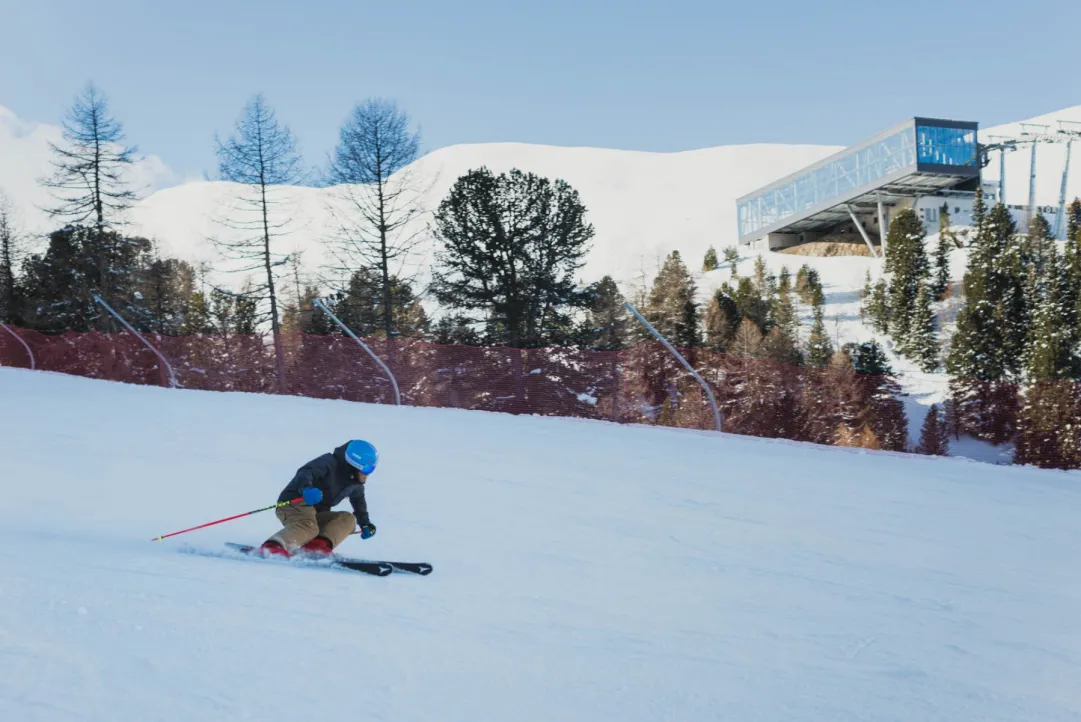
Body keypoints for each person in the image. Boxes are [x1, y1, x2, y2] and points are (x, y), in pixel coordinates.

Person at [259, 440, 378, 558]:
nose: (368, 474)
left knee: (348, 519)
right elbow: (305, 472)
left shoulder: (355, 483)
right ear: (354, 464)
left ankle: (316, 547)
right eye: (367, 469)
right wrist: (306, 489)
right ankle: (272, 546)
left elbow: (359, 503)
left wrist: (365, 524)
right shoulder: (329, 463)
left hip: (315, 513)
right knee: (309, 526)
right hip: (294, 503)